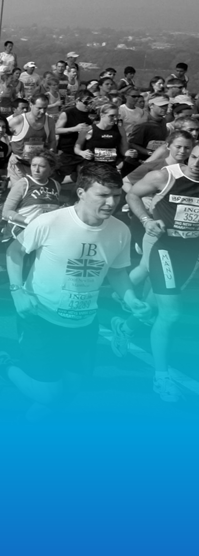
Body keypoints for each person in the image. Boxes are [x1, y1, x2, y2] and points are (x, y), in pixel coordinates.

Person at [0, 164, 148, 419]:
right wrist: (17, 291)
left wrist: (131, 299)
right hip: (40, 317)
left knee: (70, 390)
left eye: (116, 195)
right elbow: (15, 251)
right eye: (103, 195)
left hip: (83, 322)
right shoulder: (51, 222)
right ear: (81, 192)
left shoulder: (120, 230)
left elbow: (116, 271)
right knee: (49, 393)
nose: (111, 202)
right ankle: (3, 368)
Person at [114, 141, 199, 402]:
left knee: (152, 305)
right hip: (165, 247)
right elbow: (132, 194)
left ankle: (125, 328)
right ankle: (161, 378)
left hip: (191, 253)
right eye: (194, 157)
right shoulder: (165, 175)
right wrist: (147, 220)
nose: (196, 164)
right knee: (171, 313)